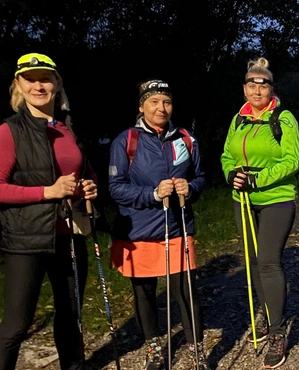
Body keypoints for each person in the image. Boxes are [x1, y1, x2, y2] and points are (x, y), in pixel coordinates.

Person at [0, 53, 98, 370]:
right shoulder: (8, 131)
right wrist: (48, 191)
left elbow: (86, 171)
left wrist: (89, 187)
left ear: (57, 83)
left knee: (71, 318)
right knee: (16, 326)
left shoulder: (67, 128)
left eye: (45, 78)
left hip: (70, 235)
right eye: (30, 79)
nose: (38, 85)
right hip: (26, 239)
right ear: (19, 84)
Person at [108, 79, 207, 369]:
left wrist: (191, 189)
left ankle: (195, 350)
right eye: (154, 102)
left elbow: (200, 176)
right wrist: (152, 194)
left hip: (178, 226)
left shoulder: (186, 138)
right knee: (144, 292)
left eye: (166, 102)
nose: (161, 108)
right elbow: (115, 187)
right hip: (138, 230)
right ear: (142, 107)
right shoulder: (126, 140)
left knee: (186, 290)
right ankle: (153, 347)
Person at [220, 57, 299, 369]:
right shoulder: (238, 119)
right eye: (252, 83)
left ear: (271, 88)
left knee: (268, 261)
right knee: (252, 262)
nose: (257, 88)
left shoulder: (283, 118)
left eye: (263, 83)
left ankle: (278, 334)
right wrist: (231, 175)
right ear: (244, 89)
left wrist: (258, 178)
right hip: (242, 199)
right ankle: (267, 316)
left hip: (276, 198)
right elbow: (227, 153)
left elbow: (292, 160)